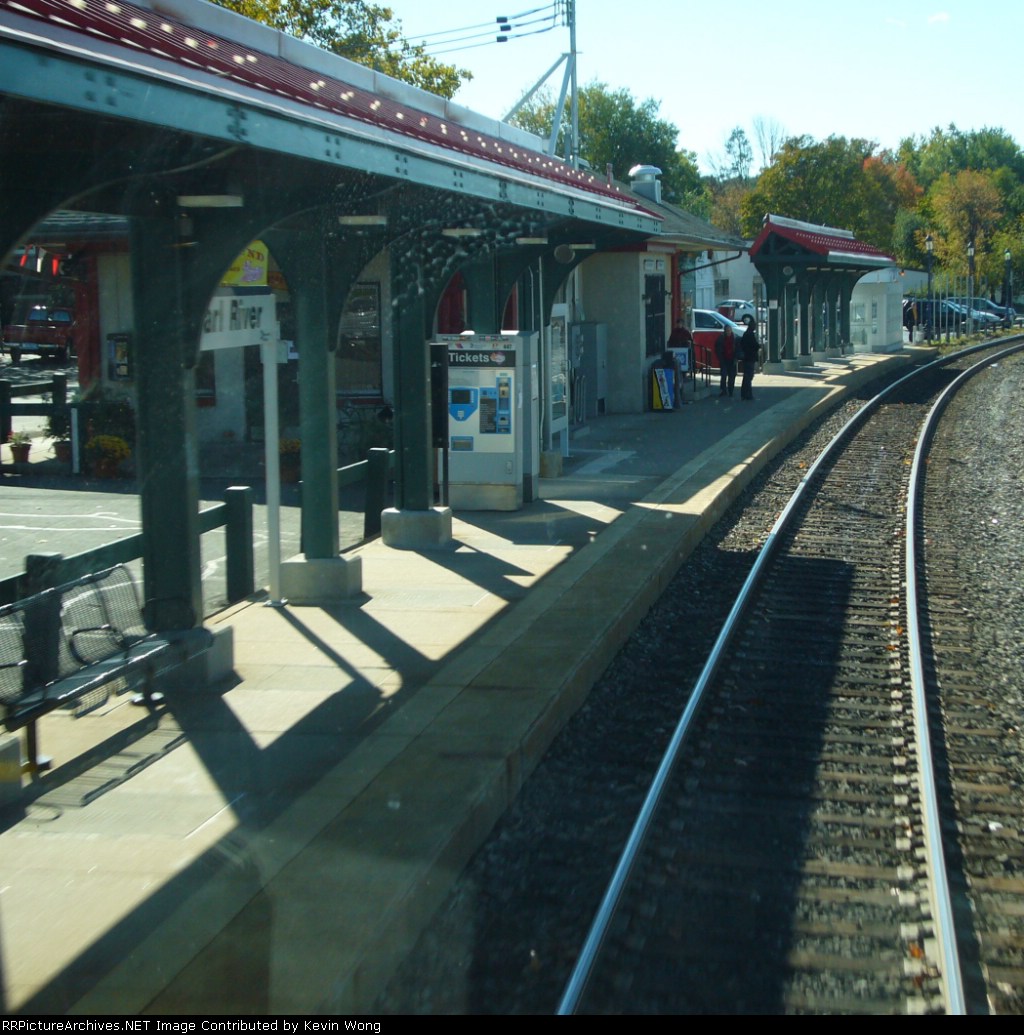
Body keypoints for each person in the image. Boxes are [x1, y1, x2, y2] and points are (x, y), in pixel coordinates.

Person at [666, 320, 694, 405]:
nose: (679, 325)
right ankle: (677, 397)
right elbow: (670, 341)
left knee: (681, 378)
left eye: (680, 324)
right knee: (676, 378)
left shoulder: (685, 332)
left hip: (683, 357)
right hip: (676, 355)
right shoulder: (674, 332)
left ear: (683, 324)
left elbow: (690, 342)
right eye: (677, 323)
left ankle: (681, 396)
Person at [739, 317, 760, 400]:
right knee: (749, 376)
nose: (755, 327)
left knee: (746, 376)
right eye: (754, 325)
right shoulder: (750, 334)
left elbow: (742, 344)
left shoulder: (746, 334)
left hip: (746, 358)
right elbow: (754, 345)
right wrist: (758, 346)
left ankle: (744, 394)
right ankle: (748, 394)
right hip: (750, 358)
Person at [714, 324, 737, 397]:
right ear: (725, 331)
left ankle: (731, 391)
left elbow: (737, 348)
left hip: (732, 359)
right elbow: (717, 349)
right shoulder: (721, 338)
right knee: (723, 375)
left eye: (729, 330)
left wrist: (736, 357)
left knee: (732, 376)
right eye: (727, 331)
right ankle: (723, 390)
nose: (728, 332)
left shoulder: (734, 338)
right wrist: (720, 358)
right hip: (724, 359)